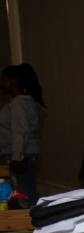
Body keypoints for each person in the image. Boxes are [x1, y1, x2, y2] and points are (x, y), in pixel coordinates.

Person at [0, 63, 44, 208]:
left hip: (19, 156)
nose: (1, 82)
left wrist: (16, 157)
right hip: (23, 154)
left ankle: (31, 219)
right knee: (22, 193)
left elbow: (20, 131)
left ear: (12, 81)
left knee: (24, 195)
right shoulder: (24, 102)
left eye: (3, 79)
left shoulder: (19, 103)